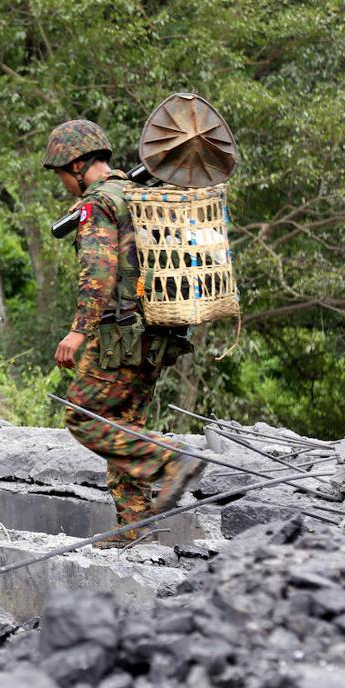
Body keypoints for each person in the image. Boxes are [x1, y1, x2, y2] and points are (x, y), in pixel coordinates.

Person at [44, 119, 201, 547]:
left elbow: (99, 272)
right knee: (123, 426)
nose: (63, 184)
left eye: (61, 174)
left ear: (77, 165)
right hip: (158, 334)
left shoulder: (99, 204)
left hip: (118, 336)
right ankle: (134, 529)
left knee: (84, 416)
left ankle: (169, 460)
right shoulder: (141, 194)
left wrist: (78, 332)